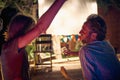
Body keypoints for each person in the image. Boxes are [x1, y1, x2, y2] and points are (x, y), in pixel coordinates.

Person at [0, 0, 66, 80]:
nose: (31, 37)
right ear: (21, 31)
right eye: (29, 31)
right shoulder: (12, 47)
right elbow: (40, 27)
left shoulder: (10, 48)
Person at [61, 14, 120, 80]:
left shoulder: (85, 51)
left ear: (93, 35)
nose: (80, 32)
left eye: (84, 31)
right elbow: (95, 55)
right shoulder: (107, 45)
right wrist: (73, 53)